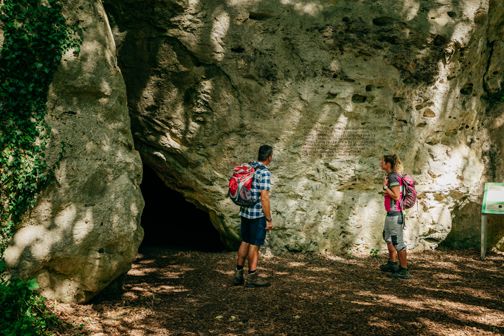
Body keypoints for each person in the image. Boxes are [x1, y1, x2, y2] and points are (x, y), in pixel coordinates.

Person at [233, 145, 274, 288]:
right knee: (254, 245)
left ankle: (238, 275)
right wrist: (268, 219)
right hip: (257, 215)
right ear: (269, 157)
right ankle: (252, 277)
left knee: (245, 241)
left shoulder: (249, 166)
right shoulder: (265, 172)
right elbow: (264, 197)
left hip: (244, 211)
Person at [379, 154, 411, 279]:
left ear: (388, 164)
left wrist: (386, 187)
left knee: (398, 242)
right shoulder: (391, 176)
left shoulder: (393, 177)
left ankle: (404, 270)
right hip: (390, 214)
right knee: (388, 238)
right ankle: (392, 263)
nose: (380, 163)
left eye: (382, 161)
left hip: (395, 214)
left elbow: (396, 196)